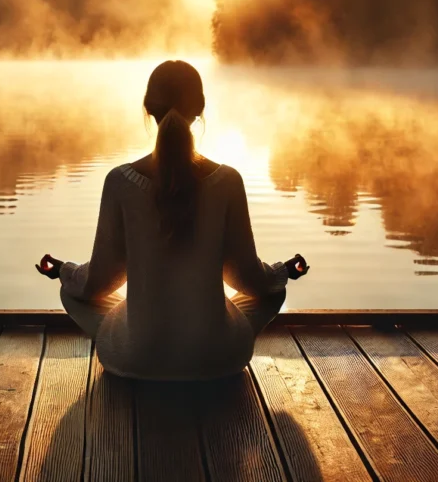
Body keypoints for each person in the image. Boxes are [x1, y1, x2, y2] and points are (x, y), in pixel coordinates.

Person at [35, 60, 309, 380]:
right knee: (273, 291)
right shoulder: (228, 181)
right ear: (200, 109)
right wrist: (283, 273)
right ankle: (206, 339)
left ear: (149, 108)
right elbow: (246, 278)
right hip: (215, 357)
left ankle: (142, 341)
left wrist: (64, 272)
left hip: (137, 359)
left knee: (73, 291)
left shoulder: (120, 182)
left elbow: (99, 282)